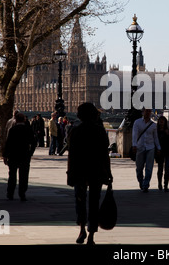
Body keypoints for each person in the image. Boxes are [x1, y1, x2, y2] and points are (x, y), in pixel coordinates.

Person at [67, 102, 112, 245]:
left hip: (80, 171)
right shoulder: (100, 131)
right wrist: (108, 172)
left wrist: (70, 173)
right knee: (94, 203)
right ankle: (91, 235)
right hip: (96, 171)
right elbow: (105, 154)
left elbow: (71, 155)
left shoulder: (75, 131)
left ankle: (82, 229)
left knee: (80, 201)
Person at [3, 113, 37, 201]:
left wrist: (5, 155)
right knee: (23, 176)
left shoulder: (12, 130)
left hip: (13, 155)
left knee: (12, 175)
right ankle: (22, 193)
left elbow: (8, 143)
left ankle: (10, 193)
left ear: (16, 120)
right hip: (24, 155)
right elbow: (33, 143)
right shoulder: (28, 129)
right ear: (24, 120)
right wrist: (30, 153)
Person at [132, 108, 160, 193]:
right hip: (140, 147)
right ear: (143, 112)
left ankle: (146, 185)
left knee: (149, 168)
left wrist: (158, 147)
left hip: (150, 147)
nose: (148, 113)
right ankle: (141, 181)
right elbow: (134, 134)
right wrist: (134, 145)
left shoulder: (153, 125)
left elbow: (155, 137)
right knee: (139, 168)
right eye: (146, 111)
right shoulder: (137, 122)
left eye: (149, 111)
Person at [156, 116, 169, 192]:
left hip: (168, 151)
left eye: (163, 121)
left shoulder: (168, 131)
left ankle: (166, 185)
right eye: (160, 121)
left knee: (167, 169)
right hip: (160, 152)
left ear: (165, 122)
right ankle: (159, 184)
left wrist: (168, 134)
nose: (161, 122)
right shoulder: (156, 131)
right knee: (160, 169)